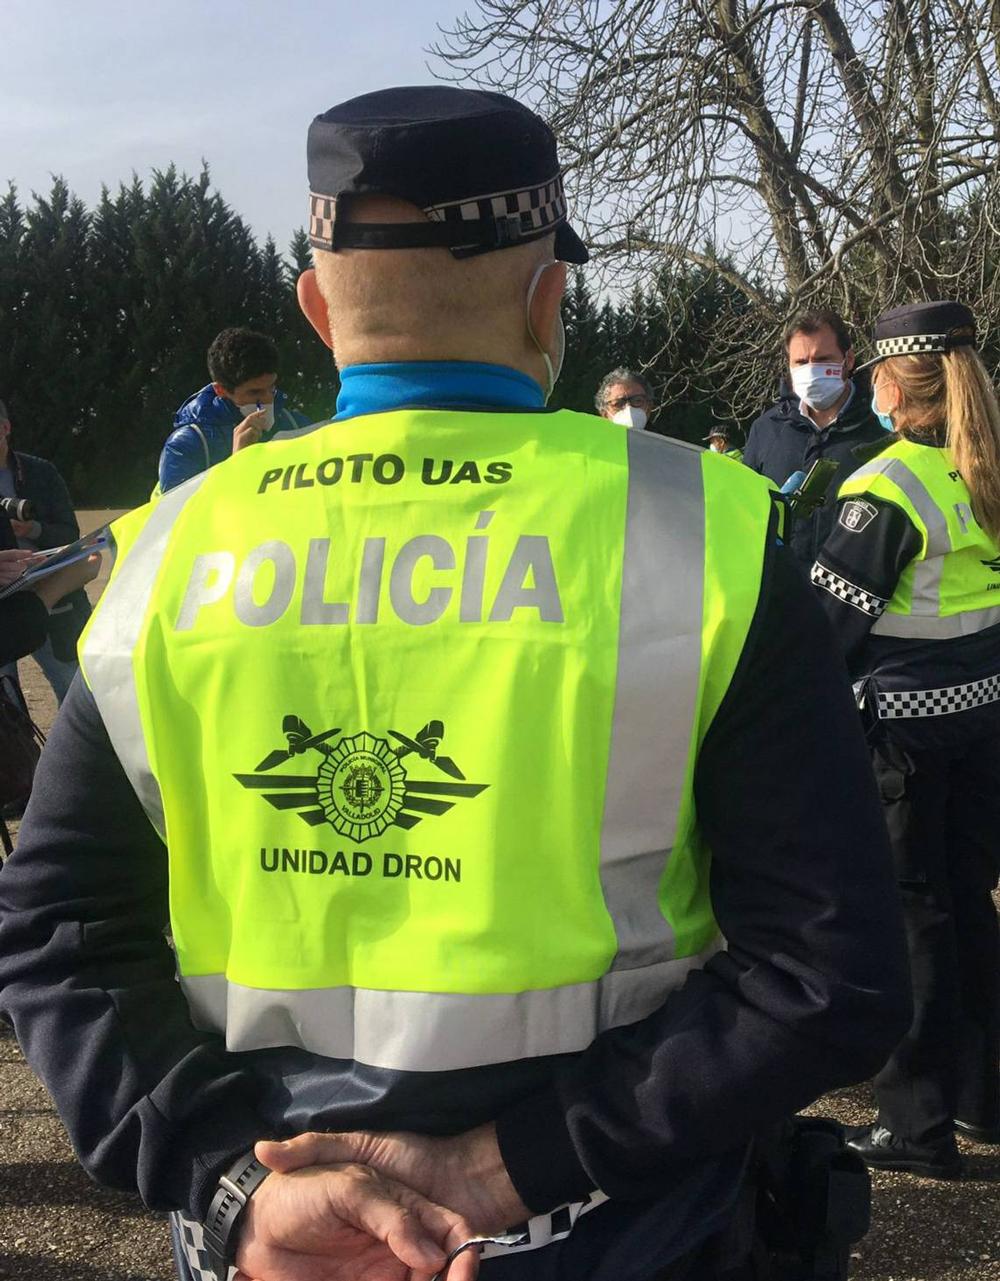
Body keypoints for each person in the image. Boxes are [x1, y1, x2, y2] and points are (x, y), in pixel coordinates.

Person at [0, 86, 909, 1281]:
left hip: (283, 1241)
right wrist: (501, 1167)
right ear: (550, 301)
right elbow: (826, 974)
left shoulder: (172, 550)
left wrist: (231, 1186)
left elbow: (58, 934)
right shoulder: (705, 533)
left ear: (316, 310)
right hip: (618, 1231)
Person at [812, 300, 1000, 1179]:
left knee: (912, 921)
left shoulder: (885, 489)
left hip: (904, 744)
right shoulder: (985, 466)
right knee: (969, 906)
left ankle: (915, 1125)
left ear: (894, 381)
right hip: (982, 722)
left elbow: (823, 630)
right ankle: (983, 1098)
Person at [742, 310, 886, 568]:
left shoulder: (881, 430)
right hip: (783, 592)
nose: (811, 370)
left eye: (823, 359)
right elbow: (744, 512)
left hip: (855, 591)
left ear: (848, 359)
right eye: (800, 361)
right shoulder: (766, 430)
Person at [0, 398, 90, 704]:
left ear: (6, 427)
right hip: (4, 608)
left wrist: (32, 530)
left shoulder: (41, 473)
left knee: (74, 692)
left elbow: (70, 533)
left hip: (52, 600)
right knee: (9, 708)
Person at [157, 327, 309, 494]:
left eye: (272, 387)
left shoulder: (296, 424)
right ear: (220, 390)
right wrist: (236, 465)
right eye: (254, 392)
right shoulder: (187, 444)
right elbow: (180, 515)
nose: (268, 399)